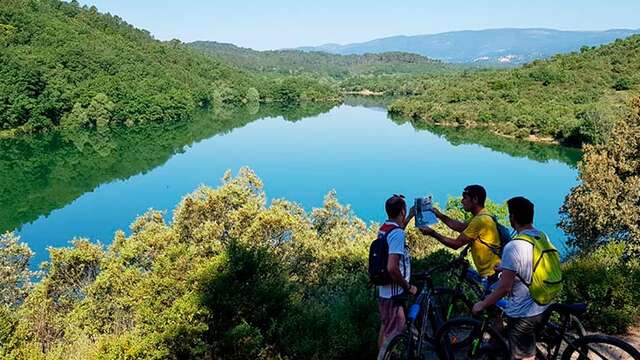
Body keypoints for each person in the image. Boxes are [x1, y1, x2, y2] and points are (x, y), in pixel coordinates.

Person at [472, 196, 551, 360]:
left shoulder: (514, 246)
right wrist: (505, 268)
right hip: (544, 302)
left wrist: (482, 304)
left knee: (524, 356)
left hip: (524, 311)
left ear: (512, 217)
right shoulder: (540, 236)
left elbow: (504, 288)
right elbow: (531, 265)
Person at [419, 185, 501, 281]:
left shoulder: (480, 220)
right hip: (493, 271)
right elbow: (460, 227)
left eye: (465, 198)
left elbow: (456, 244)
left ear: (475, 199)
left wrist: (433, 233)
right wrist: (439, 215)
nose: (462, 201)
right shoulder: (482, 214)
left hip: (492, 274)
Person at [377, 194, 417, 349]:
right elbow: (392, 268)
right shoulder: (397, 234)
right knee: (393, 334)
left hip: (384, 291)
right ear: (402, 211)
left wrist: (411, 215)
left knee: (386, 327)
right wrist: (407, 287)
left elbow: (397, 231)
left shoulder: (385, 228)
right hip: (394, 293)